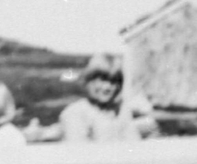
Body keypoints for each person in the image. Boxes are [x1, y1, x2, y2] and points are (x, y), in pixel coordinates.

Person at [27, 54, 155, 143]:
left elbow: (133, 145)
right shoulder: (75, 112)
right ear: (88, 81)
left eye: (113, 82)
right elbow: (80, 156)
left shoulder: (121, 110)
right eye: (101, 80)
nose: (107, 87)